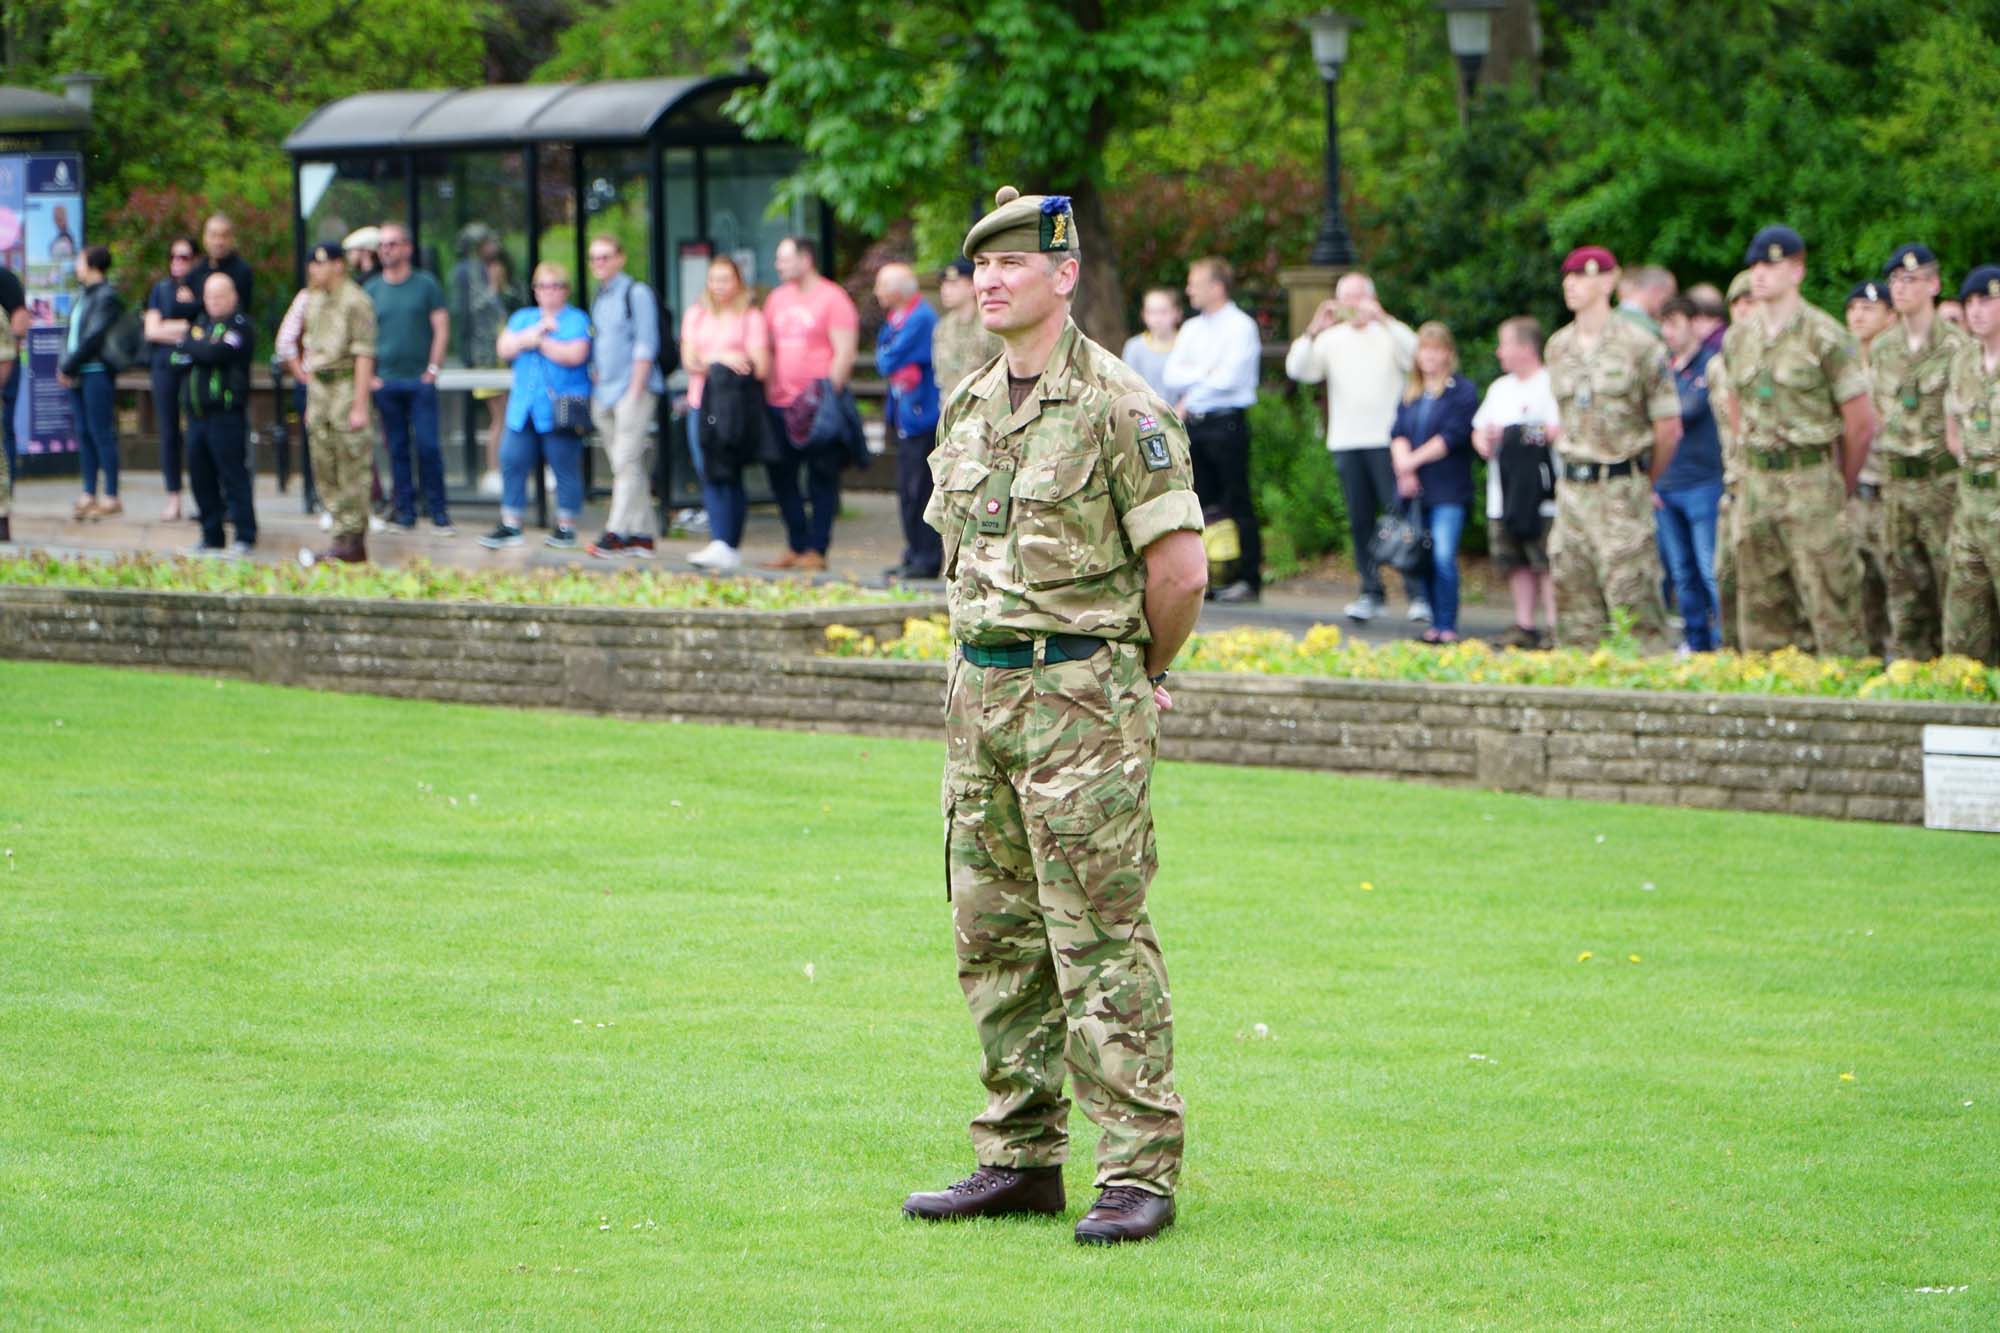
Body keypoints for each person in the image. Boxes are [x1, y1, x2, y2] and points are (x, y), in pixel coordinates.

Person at [903, 186, 1205, 1246]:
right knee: (993, 936)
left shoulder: (1120, 405)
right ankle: (1018, 1157)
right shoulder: (970, 402)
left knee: (1099, 937)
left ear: (1063, 274)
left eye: (1012, 263)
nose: (988, 278)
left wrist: (1134, 668)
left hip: (1079, 701)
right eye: (977, 264)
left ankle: (1135, 1171)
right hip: (979, 698)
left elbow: (1178, 570)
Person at [1722, 225, 1875, 655]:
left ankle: (1846, 706)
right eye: (1755, 265)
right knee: (1760, 609)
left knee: (1832, 605)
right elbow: (1735, 406)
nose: (1760, 274)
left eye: (1771, 264)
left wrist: (1837, 482)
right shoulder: (1739, 338)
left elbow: (1860, 423)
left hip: (1810, 480)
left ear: (1796, 271)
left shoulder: (1824, 335)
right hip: (1756, 484)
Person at [1544, 246, 1682, 651]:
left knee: (1635, 608)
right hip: (1572, 494)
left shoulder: (1641, 346)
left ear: (1608, 282)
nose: (1570, 284)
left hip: (1622, 489)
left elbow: (1668, 427)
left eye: (1582, 276)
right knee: (1575, 611)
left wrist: (1641, 478)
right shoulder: (1559, 347)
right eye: (1567, 276)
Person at [1284, 271, 1421, 622]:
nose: (1352, 305)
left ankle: (1418, 592)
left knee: (1401, 518)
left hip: (1387, 441)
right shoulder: (1331, 339)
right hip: (1346, 441)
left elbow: (1416, 356)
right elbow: (1299, 370)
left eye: (1359, 296)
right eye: (1345, 297)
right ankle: (1370, 590)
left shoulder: (1388, 333)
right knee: (1360, 520)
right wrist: (1313, 329)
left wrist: (1385, 319)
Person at [1870, 244, 1970, 661]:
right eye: (1894, 280)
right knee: (1902, 591)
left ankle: (1956, 675)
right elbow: (1878, 413)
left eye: (1910, 279)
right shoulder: (1882, 347)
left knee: (1953, 588)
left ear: (1934, 284)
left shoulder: (1958, 347)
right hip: (1897, 483)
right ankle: (1912, 672)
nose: (1900, 288)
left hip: (1942, 481)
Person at [1163, 256, 1263, 602]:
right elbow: (1172, 375)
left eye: (1196, 282)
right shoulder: (1191, 329)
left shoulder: (1240, 327)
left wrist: (1194, 388)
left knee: (1236, 500)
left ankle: (1248, 577)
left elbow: (1231, 378)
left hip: (1227, 422)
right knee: (1200, 501)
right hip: (1196, 424)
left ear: (1216, 287)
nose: (1189, 289)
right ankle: (1208, 574)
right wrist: (1206, 374)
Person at [760, 236, 858, 571]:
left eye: (784, 258)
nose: (778, 265)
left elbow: (844, 351)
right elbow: (768, 347)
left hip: (817, 407)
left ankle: (817, 549)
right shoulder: (775, 299)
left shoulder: (833, 298)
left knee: (821, 478)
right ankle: (796, 545)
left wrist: (828, 395)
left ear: (806, 259)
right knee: (781, 477)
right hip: (779, 404)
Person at [480, 262, 592, 551]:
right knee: (511, 460)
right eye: (541, 286)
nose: (548, 292)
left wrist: (537, 342)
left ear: (565, 290)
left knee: (564, 463)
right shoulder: (523, 317)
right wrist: (535, 334)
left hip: (560, 406)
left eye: (554, 286)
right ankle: (511, 523)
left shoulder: (576, 319)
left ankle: (566, 526)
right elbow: (504, 347)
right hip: (523, 407)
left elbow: (575, 354)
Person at [1472, 316, 1562, 647]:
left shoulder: (1550, 384)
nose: (1499, 352)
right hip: (1504, 493)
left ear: (1525, 348)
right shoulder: (1499, 388)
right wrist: (1483, 439)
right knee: (1514, 561)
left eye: (1504, 344)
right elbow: (1479, 429)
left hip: (1542, 494)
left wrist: (1518, 433)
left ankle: (1554, 626)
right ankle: (1524, 625)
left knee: (1546, 561)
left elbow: (1558, 429)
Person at [1389, 322, 1479, 643]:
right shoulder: (1411, 392)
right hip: (1414, 491)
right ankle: (1431, 621)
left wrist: (1411, 462)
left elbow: (1452, 436)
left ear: (1448, 353)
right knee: (1420, 555)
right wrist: (1404, 469)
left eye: (1436, 349)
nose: (1429, 356)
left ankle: (1447, 623)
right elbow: (1398, 432)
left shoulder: (1461, 391)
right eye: (1424, 349)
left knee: (1443, 554)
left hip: (1448, 488)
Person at [681, 255, 770, 574]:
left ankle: (728, 542)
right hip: (699, 403)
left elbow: (759, 366)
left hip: (734, 407)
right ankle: (719, 540)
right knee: (707, 469)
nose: (719, 286)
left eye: (725, 279)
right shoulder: (696, 314)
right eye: (713, 279)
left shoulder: (751, 316)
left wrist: (715, 361)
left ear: (738, 282)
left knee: (729, 470)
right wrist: (721, 357)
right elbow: (689, 359)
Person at [366, 221, 453, 534]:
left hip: (419, 382)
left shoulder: (426, 284)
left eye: (392, 243)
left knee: (429, 446)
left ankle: (439, 511)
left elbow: (441, 327)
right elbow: (364, 336)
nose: (386, 249)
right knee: (396, 449)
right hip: (386, 382)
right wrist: (371, 376)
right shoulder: (371, 289)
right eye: (382, 245)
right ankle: (405, 511)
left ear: (407, 248)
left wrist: (433, 369)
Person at [584, 235, 667, 559]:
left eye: (605, 257)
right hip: (604, 392)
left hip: (634, 390)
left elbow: (646, 343)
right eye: (594, 259)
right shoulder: (600, 297)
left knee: (626, 461)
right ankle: (643, 535)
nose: (599, 264)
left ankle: (615, 532)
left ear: (620, 258)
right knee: (627, 466)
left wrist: (636, 389)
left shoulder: (637, 292)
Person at [297, 244, 378, 566]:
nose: (315, 271)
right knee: (323, 459)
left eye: (322, 264)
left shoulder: (356, 301)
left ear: (338, 266)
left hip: (345, 383)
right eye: (313, 265)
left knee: (351, 462)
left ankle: (353, 539)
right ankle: (338, 532)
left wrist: (359, 404)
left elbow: (364, 354)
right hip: (320, 386)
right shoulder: (314, 298)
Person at [1656, 295, 1726, 652]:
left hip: (1703, 482)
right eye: (1664, 324)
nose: (1668, 331)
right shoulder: (1662, 367)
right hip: (1667, 482)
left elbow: (1690, 409)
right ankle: (1695, 640)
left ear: (1695, 324)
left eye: (1675, 323)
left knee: (1710, 569)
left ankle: (1724, 639)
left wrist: (1657, 414)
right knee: (1681, 573)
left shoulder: (1710, 364)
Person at [176, 271, 257, 554]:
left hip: (226, 414)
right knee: (201, 476)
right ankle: (211, 535)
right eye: (209, 296)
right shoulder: (200, 326)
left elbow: (217, 354)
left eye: (220, 296)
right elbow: (178, 358)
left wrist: (193, 348)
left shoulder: (240, 326)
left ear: (233, 297)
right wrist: (196, 347)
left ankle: (245, 533)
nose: (214, 302)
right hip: (196, 415)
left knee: (233, 474)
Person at [1943, 265, 2000, 663]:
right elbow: (1952, 424)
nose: (1976, 310)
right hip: (1971, 502)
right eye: (1970, 302)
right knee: (1964, 624)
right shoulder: (1963, 361)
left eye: (1987, 301)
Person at [874, 261, 942, 579]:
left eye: (882, 286)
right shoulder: (896, 319)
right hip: (903, 414)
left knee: (920, 489)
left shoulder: (920, 318)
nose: (876, 293)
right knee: (906, 489)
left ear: (897, 290)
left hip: (921, 417)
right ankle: (912, 552)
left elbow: (889, 359)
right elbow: (884, 357)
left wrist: (895, 360)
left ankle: (926, 557)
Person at [57, 245, 126, 521]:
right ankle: (88, 491)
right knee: (83, 433)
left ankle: (111, 494)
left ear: (93, 264)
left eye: (80, 260)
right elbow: (70, 333)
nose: (76, 265)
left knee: (101, 432)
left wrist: (69, 364)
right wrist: (65, 365)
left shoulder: (106, 296)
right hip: (77, 373)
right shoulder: (82, 296)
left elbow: (93, 336)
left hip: (95, 371)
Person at [142, 236, 202, 521]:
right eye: (174, 256)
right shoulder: (160, 289)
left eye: (185, 257)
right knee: (168, 431)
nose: (178, 262)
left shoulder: (203, 288)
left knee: (198, 431)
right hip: (164, 364)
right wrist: (180, 328)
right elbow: (152, 330)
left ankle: (204, 497)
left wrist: (177, 325)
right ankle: (173, 496)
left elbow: (201, 328)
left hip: (192, 365)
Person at [1711, 272, 1754, 650]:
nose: (1744, 310)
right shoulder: (1718, 365)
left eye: (1751, 301)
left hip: (1776, 486)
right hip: (1733, 487)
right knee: (1725, 579)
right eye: (1737, 303)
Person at [932, 257, 1001, 400]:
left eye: (953, 284)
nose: (945, 290)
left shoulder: (991, 325)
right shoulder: (943, 327)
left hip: (984, 411)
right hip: (950, 410)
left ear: (972, 287)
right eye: (943, 284)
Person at [1120, 287, 1182, 399]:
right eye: (1152, 312)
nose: (1157, 319)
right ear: (1143, 315)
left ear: (1177, 313)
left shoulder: (1187, 343)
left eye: (1163, 312)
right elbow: (1129, 387)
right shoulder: (1134, 347)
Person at [188, 213, 253, 312]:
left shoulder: (242, 271)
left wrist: (195, 303)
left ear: (232, 239)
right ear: (205, 239)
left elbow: (233, 308)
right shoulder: (196, 271)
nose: (218, 242)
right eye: (213, 235)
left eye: (224, 236)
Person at [1616, 265, 1677, 338]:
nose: (1667, 303)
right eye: (1668, 296)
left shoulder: (1609, 318)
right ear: (1656, 291)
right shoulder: (1650, 329)